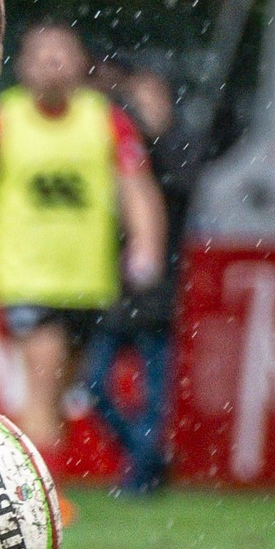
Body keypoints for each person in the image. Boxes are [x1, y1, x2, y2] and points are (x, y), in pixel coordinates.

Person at [0, 23, 167, 463]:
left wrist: (146, 247)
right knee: (42, 381)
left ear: (81, 63)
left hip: (87, 280)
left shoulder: (106, 119)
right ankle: (37, 493)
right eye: (42, 55)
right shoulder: (1, 119)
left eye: (61, 54)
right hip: (24, 277)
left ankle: (34, 477)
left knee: (63, 392)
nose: (52, 64)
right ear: (23, 66)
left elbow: (138, 190)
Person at [80, 65, 200, 492]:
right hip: (108, 288)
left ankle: (143, 476)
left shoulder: (178, 148)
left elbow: (177, 187)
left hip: (156, 293)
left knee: (153, 395)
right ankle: (146, 457)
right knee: (94, 385)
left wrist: (156, 136)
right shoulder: (113, 143)